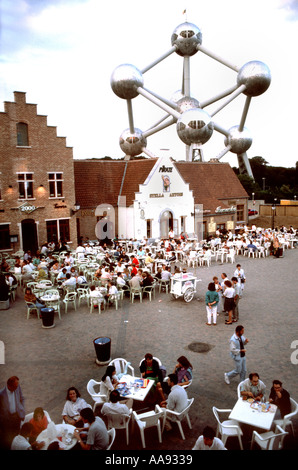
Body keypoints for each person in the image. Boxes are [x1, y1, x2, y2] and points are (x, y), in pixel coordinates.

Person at [0, 376, 26, 449]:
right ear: (9, 386)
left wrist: (22, 409)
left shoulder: (17, 387)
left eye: (17, 386)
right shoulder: (1, 394)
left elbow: (22, 398)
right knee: (8, 438)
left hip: (17, 417)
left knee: (17, 435)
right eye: (15, 386)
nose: (17, 388)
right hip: (7, 420)